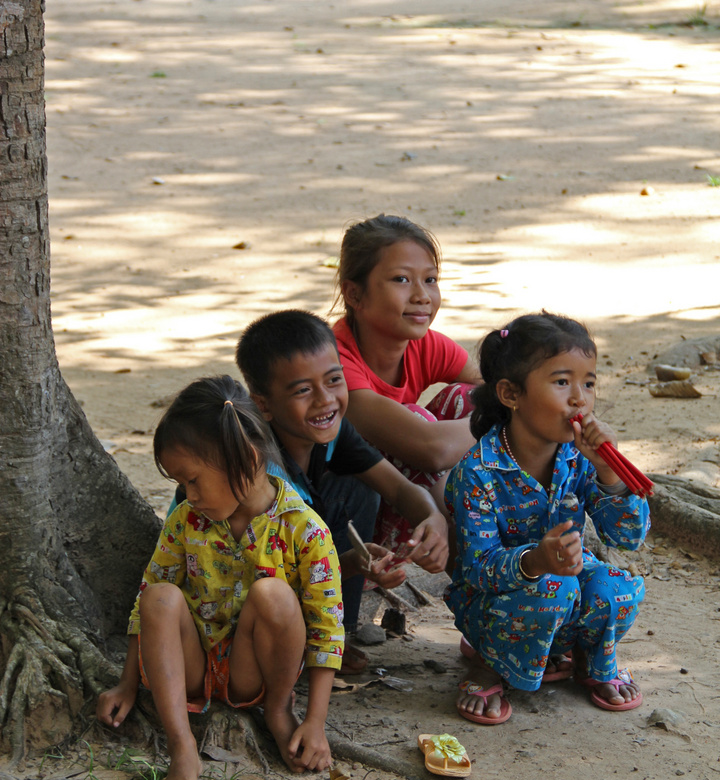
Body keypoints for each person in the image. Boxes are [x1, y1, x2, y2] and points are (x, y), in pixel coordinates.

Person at [96, 376, 343, 780]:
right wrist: (127, 684)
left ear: (246, 460)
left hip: (255, 673)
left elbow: (328, 627)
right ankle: (183, 747)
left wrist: (316, 720)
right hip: (192, 667)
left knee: (273, 593)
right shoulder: (185, 521)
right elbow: (146, 601)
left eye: (193, 480)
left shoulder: (305, 529)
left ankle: (277, 713)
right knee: (159, 596)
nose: (187, 495)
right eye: (180, 483)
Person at [444, 312, 650, 725]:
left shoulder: (580, 456)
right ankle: (489, 662)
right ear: (510, 394)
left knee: (618, 589)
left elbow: (627, 538)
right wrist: (535, 562)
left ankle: (591, 664)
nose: (580, 399)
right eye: (562, 382)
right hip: (495, 599)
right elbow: (476, 570)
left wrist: (609, 474)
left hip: (564, 583)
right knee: (552, 590)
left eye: (588, 383)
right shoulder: (477, 473)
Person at [235, 309, 449, 669]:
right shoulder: (258, 469)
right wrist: (353, 563)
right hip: (247, 603)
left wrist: (432, 519)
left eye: (334, 380)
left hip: (301, 571)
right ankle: (304, 645)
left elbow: (399, 490)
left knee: (357, 483)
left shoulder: (332, 433)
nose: (325, 400)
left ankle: (337, 632)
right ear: (263, 405)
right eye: (303, 390)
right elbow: (270, 573)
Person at [332, 213, 482, 549]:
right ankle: (475, 557)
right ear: (354, 295)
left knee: (472, 397)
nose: (422, 296)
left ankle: (494, 526)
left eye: (430, 280)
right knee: (420, 421)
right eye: (401, 280)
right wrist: (501, 418)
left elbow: (501, 393)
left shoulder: (425, 344)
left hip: (409, 500)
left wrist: (504, 411)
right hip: (350, 523)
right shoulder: (334, 363)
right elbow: (432, 450)